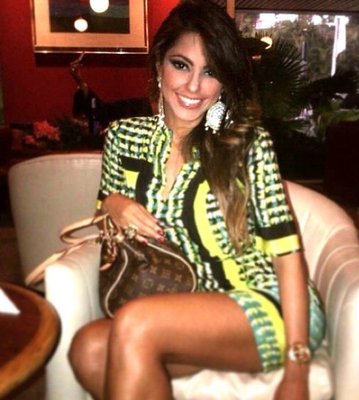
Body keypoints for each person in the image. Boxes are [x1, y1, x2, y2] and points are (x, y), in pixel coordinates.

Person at [68, 1, 326, 399]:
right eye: (181, 65)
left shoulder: (247, 144)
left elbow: (287, 256)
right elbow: (105, 221)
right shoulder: (123, 137)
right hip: (182, 305)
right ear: (159, 65)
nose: (193, 87)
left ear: (224, 81)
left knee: (135, 324)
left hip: (264, 301)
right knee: (88, 349)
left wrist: (297, 368)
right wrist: (113, 204)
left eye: (211, 71)